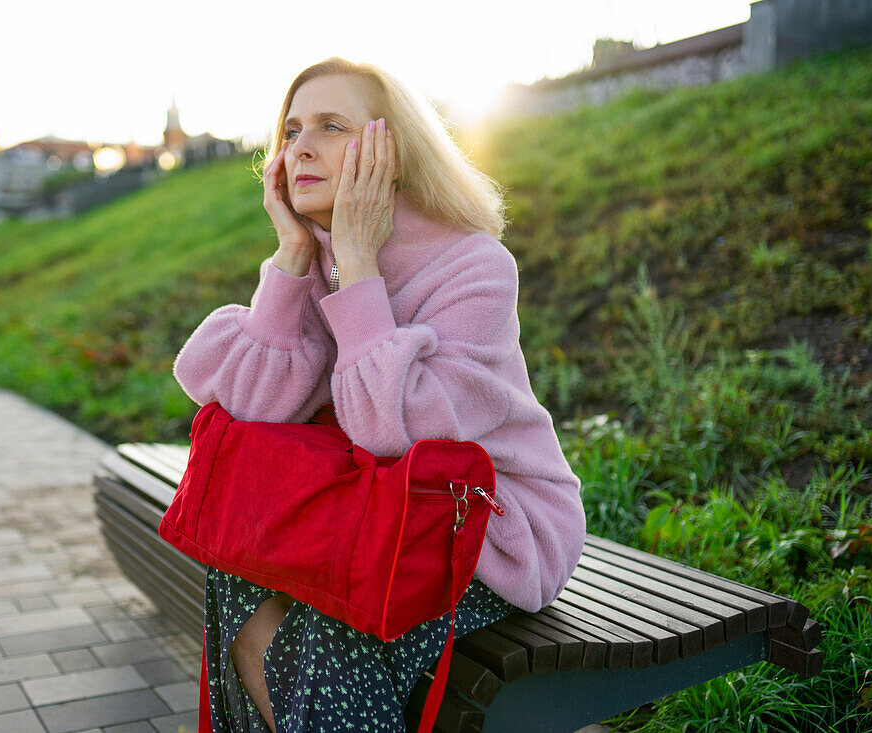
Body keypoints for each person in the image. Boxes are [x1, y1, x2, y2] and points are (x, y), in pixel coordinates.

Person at [173, 57, 585, 732]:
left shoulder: (475, 265)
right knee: (238, 576)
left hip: (492, 531)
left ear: (389, 152)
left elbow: (397, 432)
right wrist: (291, 259)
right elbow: (251, 403)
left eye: (331, 126)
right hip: (379, 512)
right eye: (292, 129)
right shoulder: (316, 258)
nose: (299, 146)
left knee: (338, 625)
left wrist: (361, 269)